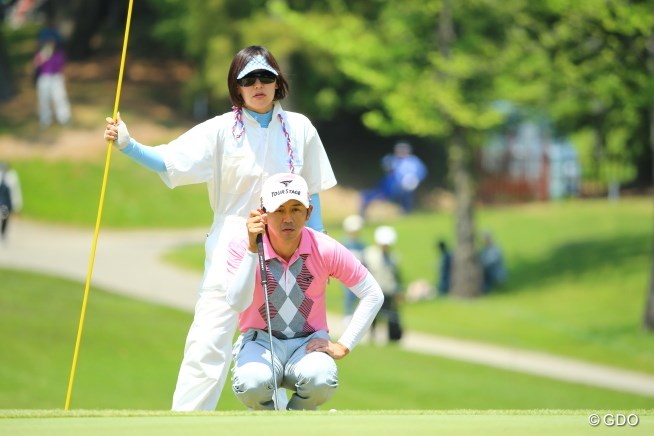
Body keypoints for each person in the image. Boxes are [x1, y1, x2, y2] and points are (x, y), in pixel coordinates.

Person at [103, 46, 337, 411]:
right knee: (209, 339)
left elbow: (313, 191)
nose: (258, 85)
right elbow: (170, 160)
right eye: (248, 79)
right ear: (237, 87)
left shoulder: (300, 128)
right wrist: (128, 145)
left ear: (278, 83)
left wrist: (319, 250)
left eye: (266, 77)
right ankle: (186, 424)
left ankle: (277, 422)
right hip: (232, 244)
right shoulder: (220, 130)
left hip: (289, 248)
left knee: (278, 341)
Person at [226, 173, 383, 410]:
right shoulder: (241, 246)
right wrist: (251, 249)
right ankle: (271, 426)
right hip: (260, 342)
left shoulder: (325, 248)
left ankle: (298, 420)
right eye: (279, 210)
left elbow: (373, 294)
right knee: (252, 384)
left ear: (308, 213)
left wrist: (344, 344)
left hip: (308, 343)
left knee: (321, 379)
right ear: (263, 213)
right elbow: (237, 302)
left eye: (296, 209)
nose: (287, 218)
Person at [360, 141, 427, 217]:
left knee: (406, 197)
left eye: (403, 150)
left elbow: (422, 173)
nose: (401, 151)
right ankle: (363, 213)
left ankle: (406, 214)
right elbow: (387, 168)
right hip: (389, 186)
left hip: (406, 188)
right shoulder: (391, 159)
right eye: (399, 149)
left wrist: (415, 181)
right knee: (368, 195)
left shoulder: (414, 161)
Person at [365, 225, 404, 343]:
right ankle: (372, 336)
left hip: (389, 291)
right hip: (375, 291)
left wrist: (399, 291)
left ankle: (392, 338)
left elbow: (397, 276)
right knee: (373, 315)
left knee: (391, 315)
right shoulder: (370, 254)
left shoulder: (394, 257)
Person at [33, 18, 71, 128]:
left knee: (60, 98)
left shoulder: (59, 54)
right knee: (44, 99)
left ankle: (64, 118)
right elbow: (35, 65)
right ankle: (45, 120)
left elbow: (62, 66)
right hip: (44, 78)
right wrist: (42, 57)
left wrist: (65, 77)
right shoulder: (41, 53)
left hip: (56, 78)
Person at [340, 214, 366, 320]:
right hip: (346, 275)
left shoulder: (362, 245)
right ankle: (348, 316)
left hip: (359, 275)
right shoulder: (344, 244)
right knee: (348, 296)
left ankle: (357, 317)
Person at [0, 162, 23, 244]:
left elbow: (15, 192)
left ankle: (3, 233)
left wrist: (17, 205)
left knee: (4, 218)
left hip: (6, 203)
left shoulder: (12, 178)